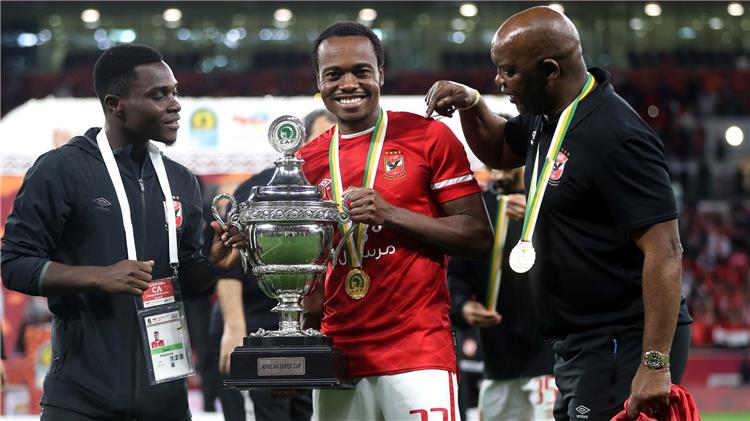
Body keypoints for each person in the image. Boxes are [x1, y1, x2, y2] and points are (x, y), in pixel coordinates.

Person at [425, 6, 692, 421]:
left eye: (508, 71)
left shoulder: (618, 136)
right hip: (578, 343)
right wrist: (473, 103)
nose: (498, 81)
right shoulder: (546, 119)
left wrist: (655, 363)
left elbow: (666, 251)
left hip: (620, 340)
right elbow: (499, 148)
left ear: (550, 70)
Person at [1, 44, 244, 421]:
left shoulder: (180, 180)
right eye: (158, 95)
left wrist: (212, 265)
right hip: (81, 402)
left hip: (167, 404)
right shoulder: (61, 170)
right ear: (116, 104)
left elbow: (186, 282)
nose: (175, 105)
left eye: (174, 92)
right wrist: (99, 277)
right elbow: (14, 264)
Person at [298, 22, 493, 421]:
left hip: (417, 351)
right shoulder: (307, 161)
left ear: (381, 74)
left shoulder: (428, 137)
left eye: (361, 71)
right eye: (334, 74)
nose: (348, 84)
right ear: (318, 81)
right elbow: (313, 271)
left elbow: (478, 236)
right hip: (338, 354)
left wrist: (391, 214)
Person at [213, 109, 335, 421]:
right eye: (321, 137)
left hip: (312, 332)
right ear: (300, 142)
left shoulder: (332, 190)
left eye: (334, 139)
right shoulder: (259, 189)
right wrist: (234, 328)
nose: (328, 144)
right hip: (255, 326)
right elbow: (229, 262)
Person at [448, 167, 556, 421]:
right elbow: (456, 276)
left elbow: (578, 258)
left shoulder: (551, 198)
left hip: (551, 363)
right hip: (497, 364)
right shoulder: (479, 209)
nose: (496, 173)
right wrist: (463, 307)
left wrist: (541, 217)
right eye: (489, 165)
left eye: (502, 163)